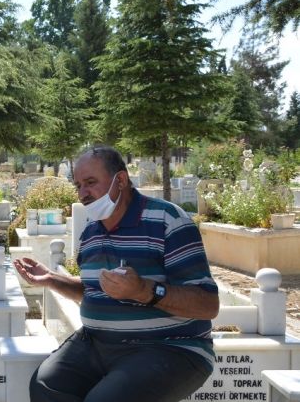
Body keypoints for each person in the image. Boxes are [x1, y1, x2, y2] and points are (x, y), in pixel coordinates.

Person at [14, 146, 219, 402]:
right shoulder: (91, 231)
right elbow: (96, 291)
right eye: (78, 185)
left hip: (170, 347)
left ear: (120, 180)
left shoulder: (168, 220)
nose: (83, 194)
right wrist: (52, 280)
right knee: (46, 386)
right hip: (97, 345)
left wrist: (144, 291)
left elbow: (208, 304)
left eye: (90, 183)